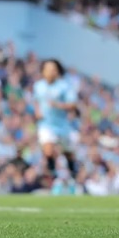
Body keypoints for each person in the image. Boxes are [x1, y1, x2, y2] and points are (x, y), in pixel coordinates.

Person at [33, 59, 79, 193]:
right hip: (46, 124)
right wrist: (37, 112)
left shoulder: (64, 86)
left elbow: (73, 104)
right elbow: (36, 100)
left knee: (68, 152)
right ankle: (53, 176)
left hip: (62, 125)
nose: (50, 72)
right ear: (43, 71)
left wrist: (59, 105)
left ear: (57, 71)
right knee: (48, 149)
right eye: (47, 69)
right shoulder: (38, 86)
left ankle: (72, 173)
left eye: (53, 69)